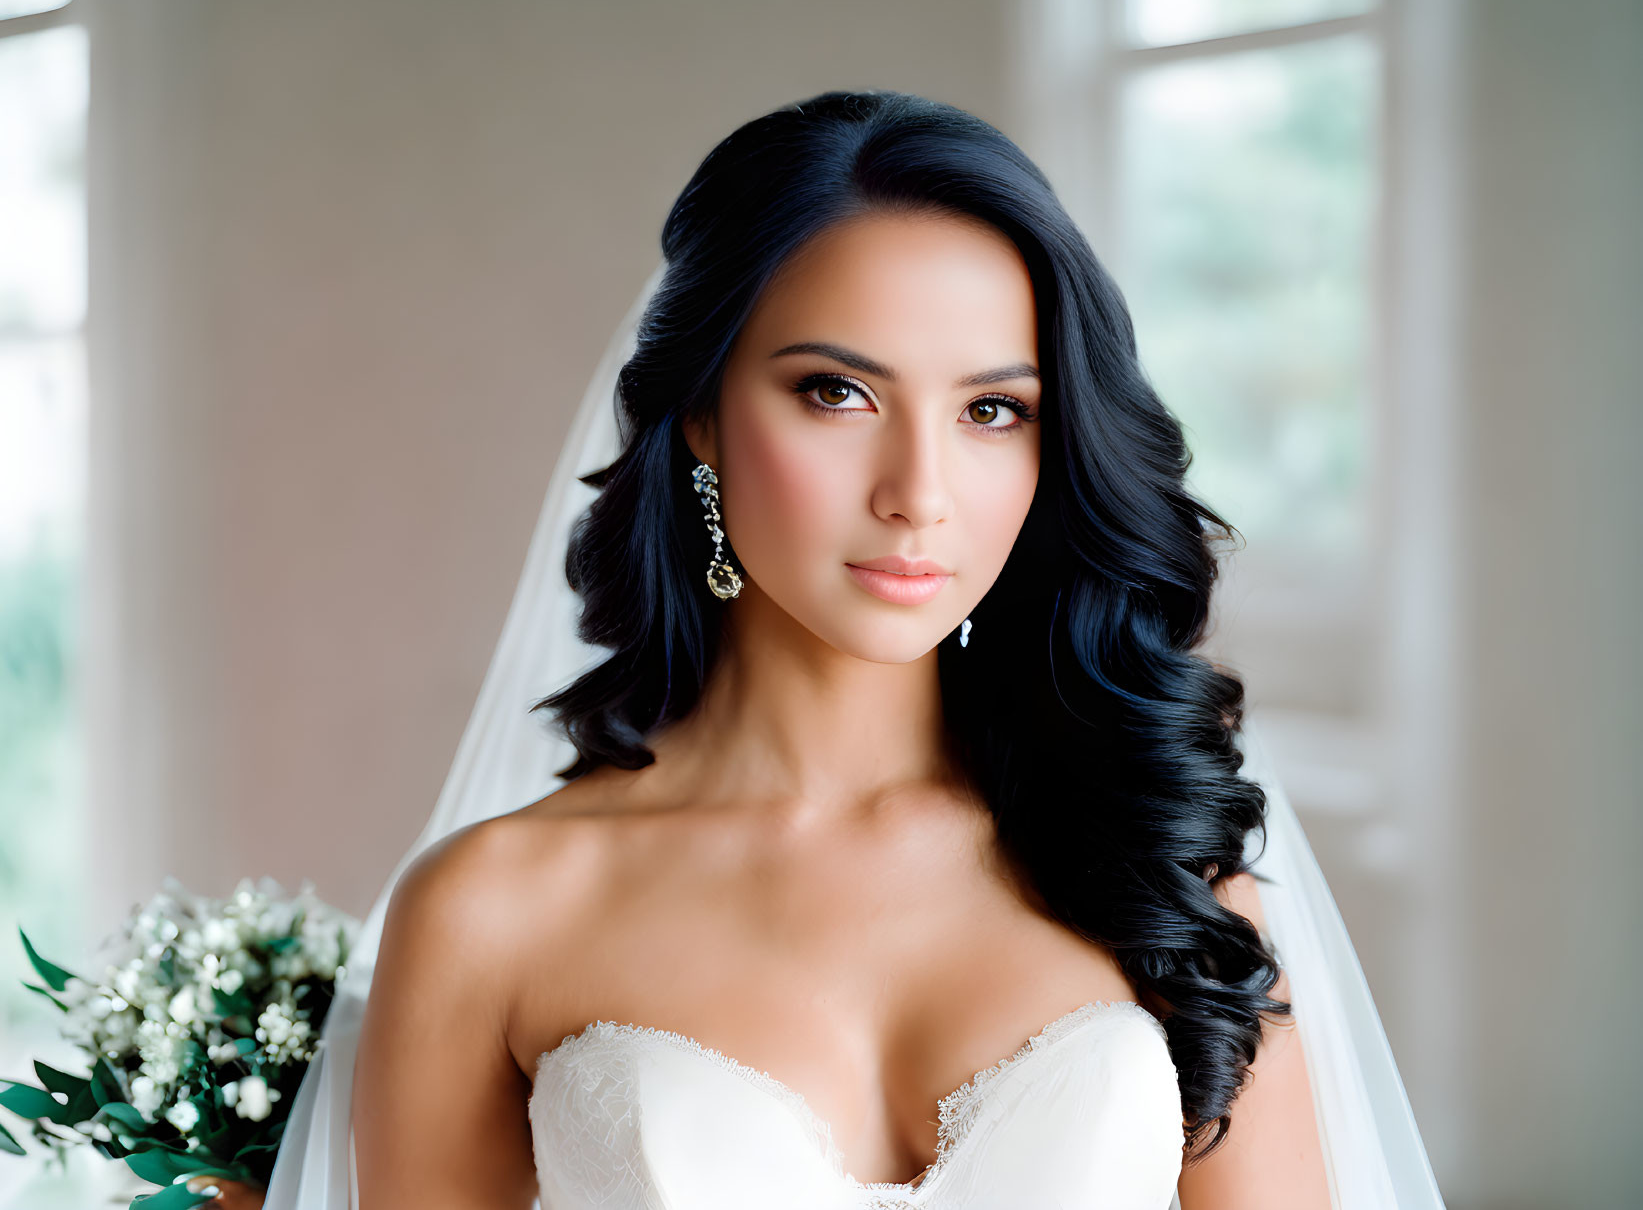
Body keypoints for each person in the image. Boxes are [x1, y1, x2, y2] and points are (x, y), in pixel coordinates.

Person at [234, 90, 1446, 1210]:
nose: (918, 494)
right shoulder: (489, 911)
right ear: (700, 414)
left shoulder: (1165, 872)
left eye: (990, 411)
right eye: (836, 393)